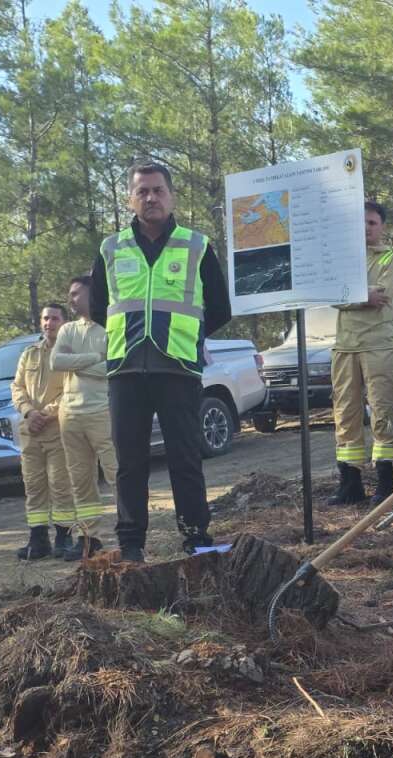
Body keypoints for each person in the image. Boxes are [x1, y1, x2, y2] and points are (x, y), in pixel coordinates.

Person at [89, 161, 232, 562]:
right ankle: (131, 545)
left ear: (171, 196)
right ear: (130, 199)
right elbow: (100, 307)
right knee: (129, 464)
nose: (150, 197)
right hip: (126, 370)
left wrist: (188, 337)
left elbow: (219, 307)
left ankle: (196, 539)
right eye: (142, 191)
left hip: (178, 370)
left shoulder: (197, 245)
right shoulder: (110, 248)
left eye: (157, 190)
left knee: (185, 458)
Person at [327, 201, 393, 505]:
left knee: (382, 412)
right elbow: (334, 295)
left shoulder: (391, 258)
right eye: (361, 223)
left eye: (372, 223)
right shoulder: (344, 261)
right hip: (345, 345)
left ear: (381, 227)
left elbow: (381, 296)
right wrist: (362, 294)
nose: (366, 228)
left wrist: (350, 294)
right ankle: (350, 483)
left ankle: (385, 484)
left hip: (378, 344)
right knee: (345, 415)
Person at [51, 275, 117, 561]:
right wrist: (93, 358)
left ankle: (129, 531)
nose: (71, 298)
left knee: (116, 472)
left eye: (76, 293)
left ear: (93, 293)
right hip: (70, 414)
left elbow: (113, 367)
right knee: (80, 479)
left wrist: (78, 363)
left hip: (101, 410)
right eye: (70, 294)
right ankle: (90, 537)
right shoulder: (67, 330)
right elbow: (56, 362)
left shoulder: (110, 324)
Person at [11, 302, 75, 560]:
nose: (49, 323)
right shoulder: (29, 354)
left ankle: (64, 537)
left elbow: (71, 391)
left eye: (55, 319)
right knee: (34, 486)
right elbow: (17, 387)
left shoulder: (70, 353)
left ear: (64, 322)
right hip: (30, 431)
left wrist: (45, 414)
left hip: (57, 429)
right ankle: (38, 540)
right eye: (46, 318)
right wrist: (29, 412)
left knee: (61, 485)